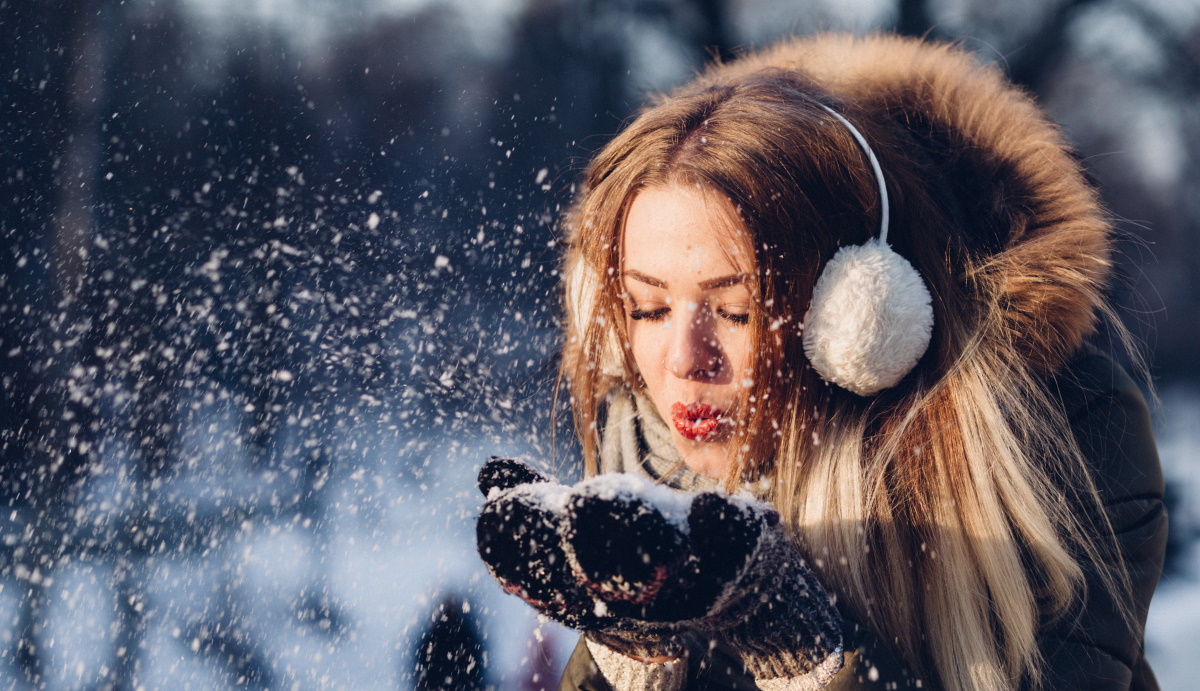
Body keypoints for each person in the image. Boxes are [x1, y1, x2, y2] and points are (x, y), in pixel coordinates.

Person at [475, 33, 1166, 691]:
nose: (685, 360)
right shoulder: (642, 451)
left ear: (859, 315)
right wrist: (634, 656)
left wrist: (804, 655)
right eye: (648, 309)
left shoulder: (1060, 434)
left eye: (736, 310)